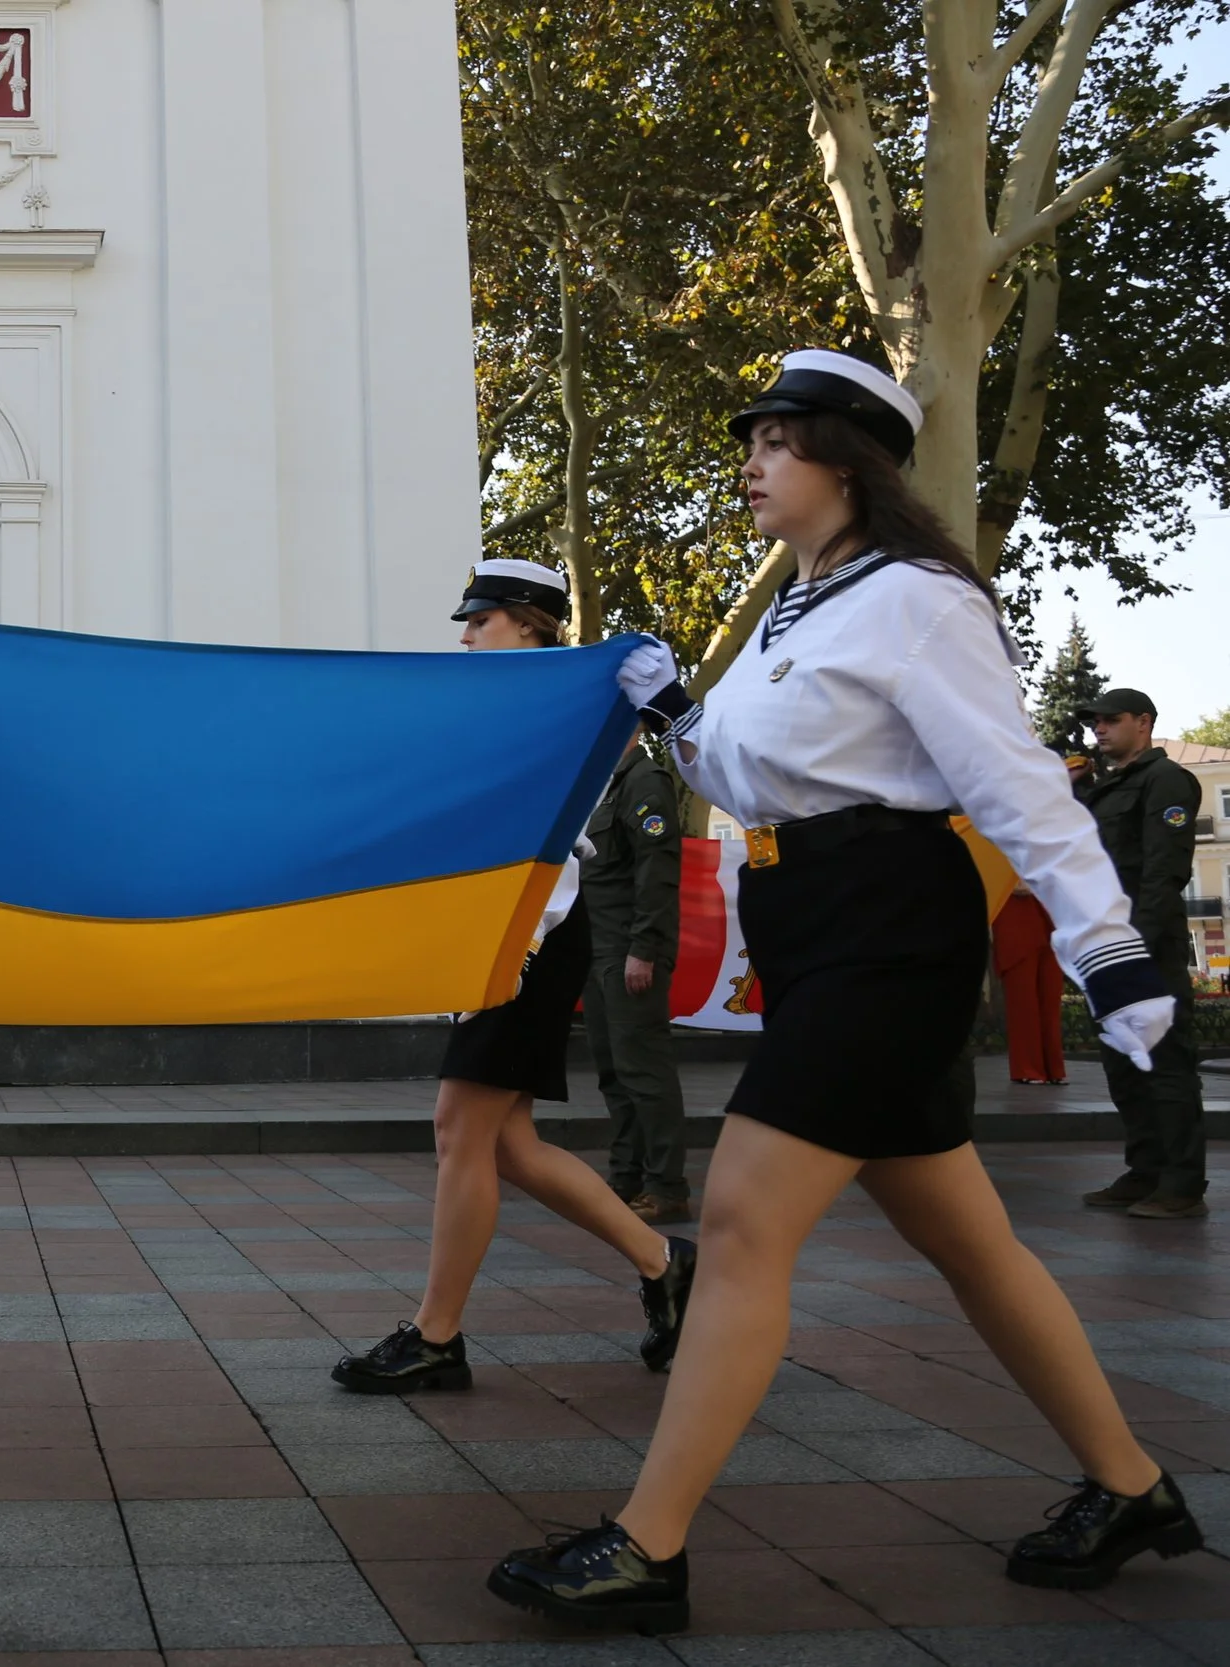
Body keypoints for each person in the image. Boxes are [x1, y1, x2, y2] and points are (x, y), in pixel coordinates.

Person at [489, 349, 1200, 1634]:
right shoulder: (794, 605)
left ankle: (648, 1545)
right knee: (968, 1238)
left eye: (776, 440)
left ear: (844, 460)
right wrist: (676, 713)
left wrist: (1109, 947)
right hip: (810, 921)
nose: (751, 463)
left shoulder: (922, 599)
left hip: (890, 926)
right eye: (751, 439)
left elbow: (1013, 782)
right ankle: (1131, 1483)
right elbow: (754, 773)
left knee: (749, 1218)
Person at [333, 559, 695, 1398]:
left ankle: (436, 1335)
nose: (465, 637)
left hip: (539, 930)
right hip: (511, 933)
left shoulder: (562, 705)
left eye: (482, 621)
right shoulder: (506, 706)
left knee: (460, 1127)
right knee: (508, 1144)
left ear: (529, 621)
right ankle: (664, 1263)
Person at [1073, 687, 1206, 1219]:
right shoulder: (1107, 788)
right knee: (1125, 1062)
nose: (1099, 730)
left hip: (1143, 945)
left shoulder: (1167, 780)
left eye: (1111, 720)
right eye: (1096, 722)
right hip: (1105, 944)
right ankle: (1145, 1171)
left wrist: (1136, 949)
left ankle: (1181, 1185)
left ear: (1144, 723)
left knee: (1165, 1063)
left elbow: (1163, 871)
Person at [584, 733, 690, 1222]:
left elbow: (657, 869)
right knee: (615, 1073)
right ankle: (626, 1178)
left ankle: (666, 1187)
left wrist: (644, 949)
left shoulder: (644, 781)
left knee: (644, 1073)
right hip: (598, 947)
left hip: (629, 949)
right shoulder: (600, 784)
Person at [995, 870, 1066, 1086]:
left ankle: (1053, 1068)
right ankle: (1027, 1068)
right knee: (1023, 999)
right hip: (1014, 913)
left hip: (1050, 910)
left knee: (1050, 997)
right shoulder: (994, 839)